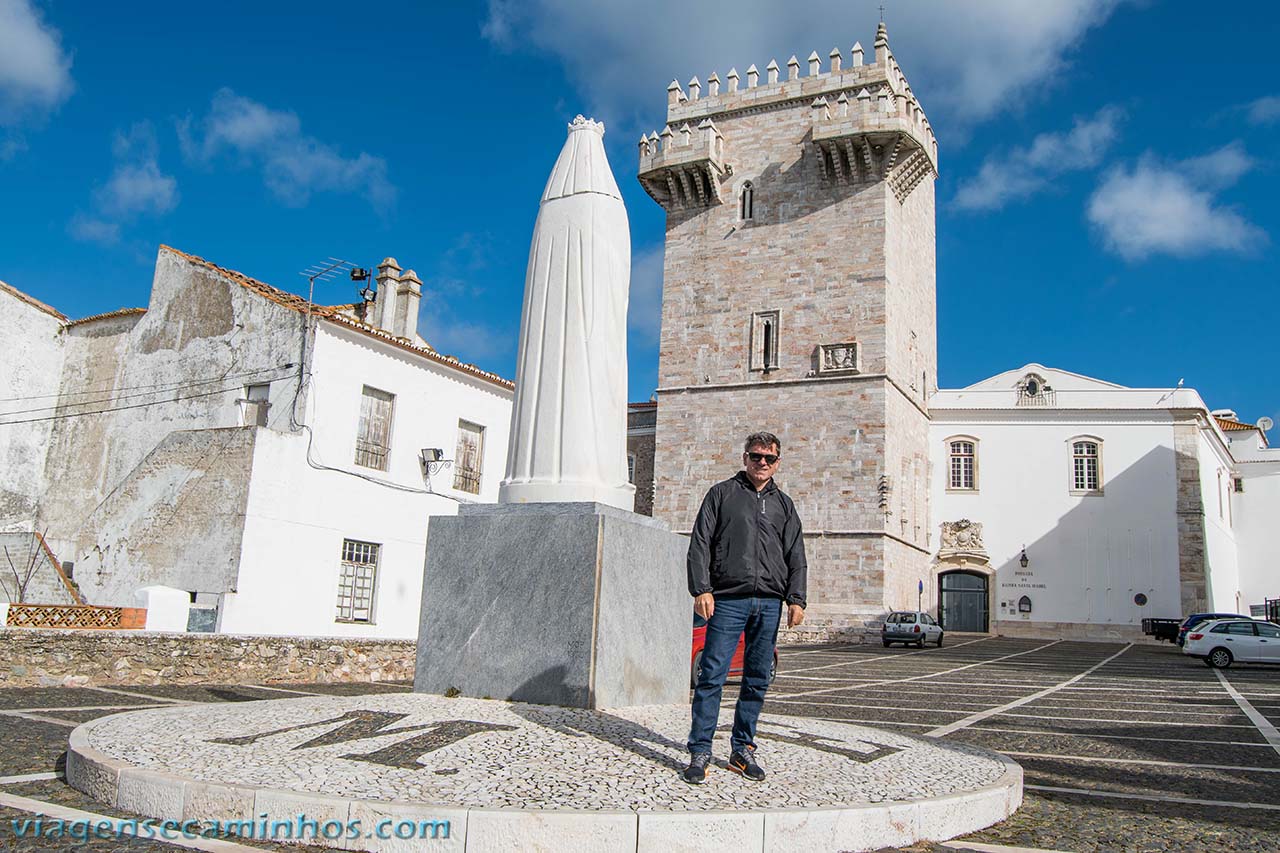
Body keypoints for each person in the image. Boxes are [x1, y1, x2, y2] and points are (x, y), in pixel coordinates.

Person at [682, 431, 807, 784]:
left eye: (768, 458)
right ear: (745, 458)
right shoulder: (721, 495)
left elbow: (796, 553)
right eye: (756, 456)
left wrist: (796, 598)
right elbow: (700, 542)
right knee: (712, 676)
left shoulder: (784, 504)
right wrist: (701, 589)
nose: (762, 463)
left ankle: (742, 749)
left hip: (769, 602)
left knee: (756, 679)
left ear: (777, 462)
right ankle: (700, 750)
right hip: (728, 599)